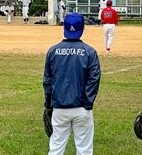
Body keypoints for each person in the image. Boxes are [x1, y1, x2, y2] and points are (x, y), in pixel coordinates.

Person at [43, 13, 101, 155]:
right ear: (83, 29)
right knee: (84, 149)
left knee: (56, 147)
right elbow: (94, 79)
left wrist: (49, 105)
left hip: (59, 106)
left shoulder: (53, 51)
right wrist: (88, 103)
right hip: (82, 107)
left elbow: (47, 81)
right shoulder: (90, 52)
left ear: (64, 27)